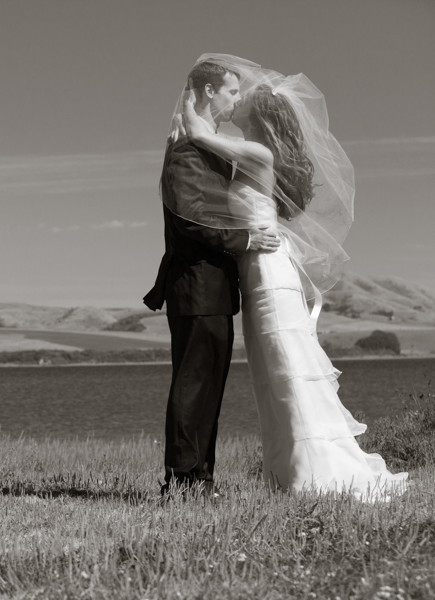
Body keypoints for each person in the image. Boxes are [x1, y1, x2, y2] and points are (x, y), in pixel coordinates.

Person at [177, 55, 408, 501]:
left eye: (245, 99)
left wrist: (192, 96)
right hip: (258, 271)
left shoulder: (258, 153)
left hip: (267, 272)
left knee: (287, 368)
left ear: (260, 116)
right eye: (234, 93)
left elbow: (197, 131)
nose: (238, 99)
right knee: (273, 373)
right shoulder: (254, 152)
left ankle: (316, 474)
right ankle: (287, 474)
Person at [144, 58, 280, 498]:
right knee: (192, 384)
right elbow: (190, 220)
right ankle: (181, 481)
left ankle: (200, 480)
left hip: (217, 289)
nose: (236, 99)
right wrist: (246, 240)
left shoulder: (208, 146)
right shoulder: (185, 151)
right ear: (207, 92)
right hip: (195, 285)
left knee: (210, 389)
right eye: (231, 91)